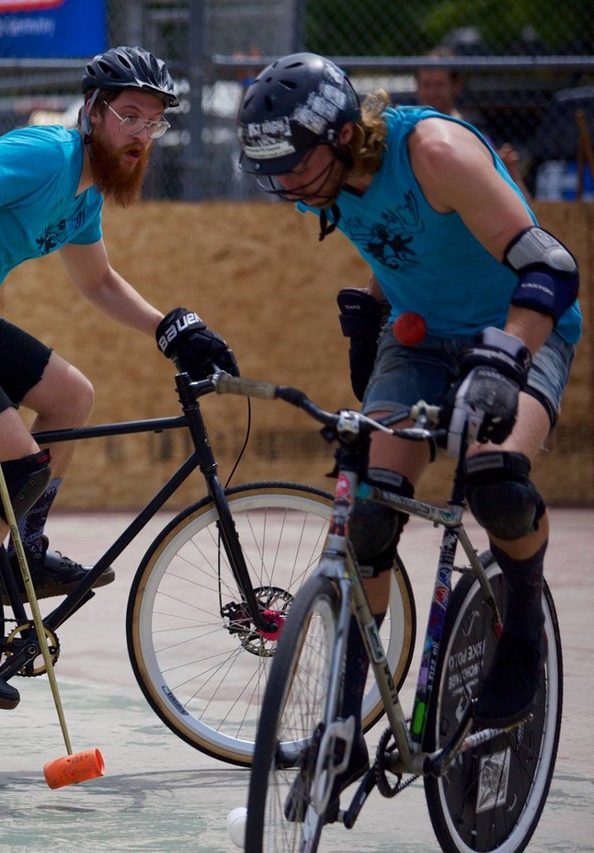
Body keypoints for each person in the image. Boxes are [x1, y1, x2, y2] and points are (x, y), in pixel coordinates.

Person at [0, 46, 239, 710]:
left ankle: (21, 553)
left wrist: (169, 328)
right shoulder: (46, 154)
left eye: (155, 122)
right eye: (130, 116)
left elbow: (99, 281)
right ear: (93, 111)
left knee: (70, 395)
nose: (142, 134)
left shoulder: (86, 192)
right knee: (14, 464)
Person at [237, 52, 580, 808]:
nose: (287, 187)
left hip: (519, 331)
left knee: (494, 479)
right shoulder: (318, 174)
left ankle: (522, 621)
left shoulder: (434, 152)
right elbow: (403, 243)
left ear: (340, 135)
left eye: (295, 167)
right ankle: (340, 721)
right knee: (367, 510)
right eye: (274, 173)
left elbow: (550, 267)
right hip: (418, 339)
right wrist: (372, 305)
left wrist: (505, 358)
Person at [414, 48, 531, 199]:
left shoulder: (473, 132)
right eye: (426, 85)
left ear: (456, 86)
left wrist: (511, 176)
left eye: (439, 85)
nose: (432, 92)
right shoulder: (407, 130)